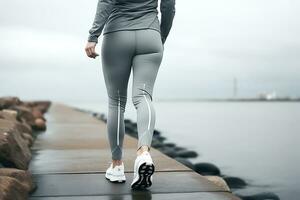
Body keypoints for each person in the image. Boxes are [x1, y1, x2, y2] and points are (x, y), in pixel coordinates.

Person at [85, 0, 175, 189]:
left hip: (117, 35)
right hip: (150, 35)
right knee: (143, 96)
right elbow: (168, 7)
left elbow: (106, 1)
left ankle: (117, 166)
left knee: (116, 102)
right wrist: (160, 36)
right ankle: (143, 154)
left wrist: (93, 36)